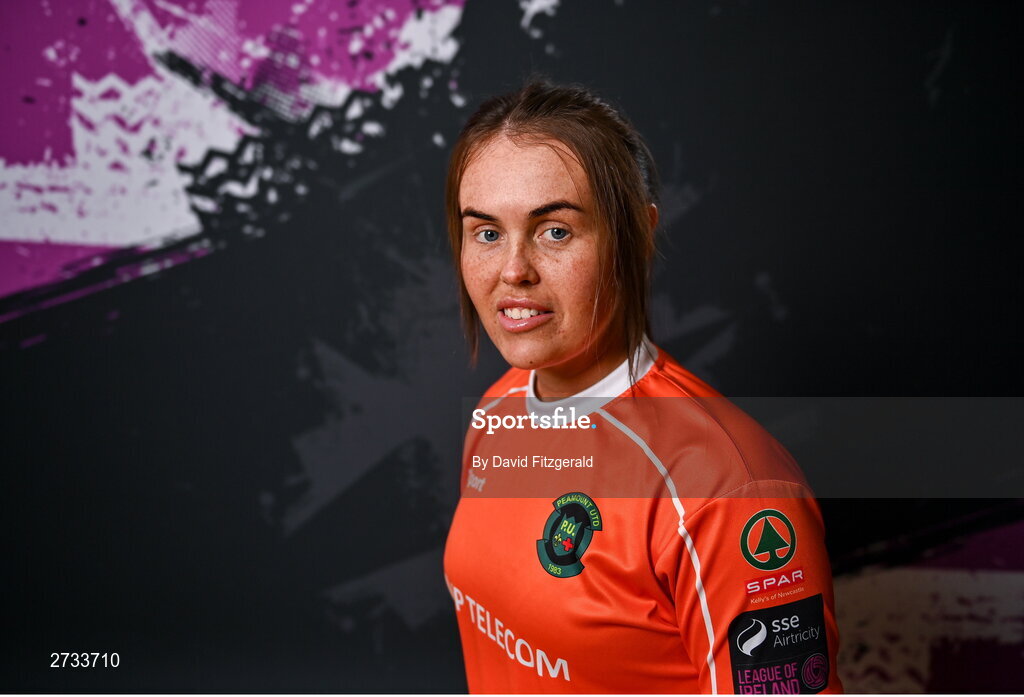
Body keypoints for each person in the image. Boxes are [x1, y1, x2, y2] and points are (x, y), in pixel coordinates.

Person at [442, 80, 842, 694]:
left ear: (638, 232)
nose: (512, 270)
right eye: (487, 232)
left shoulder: (731, 489)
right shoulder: (499, 406)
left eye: (555, 231)